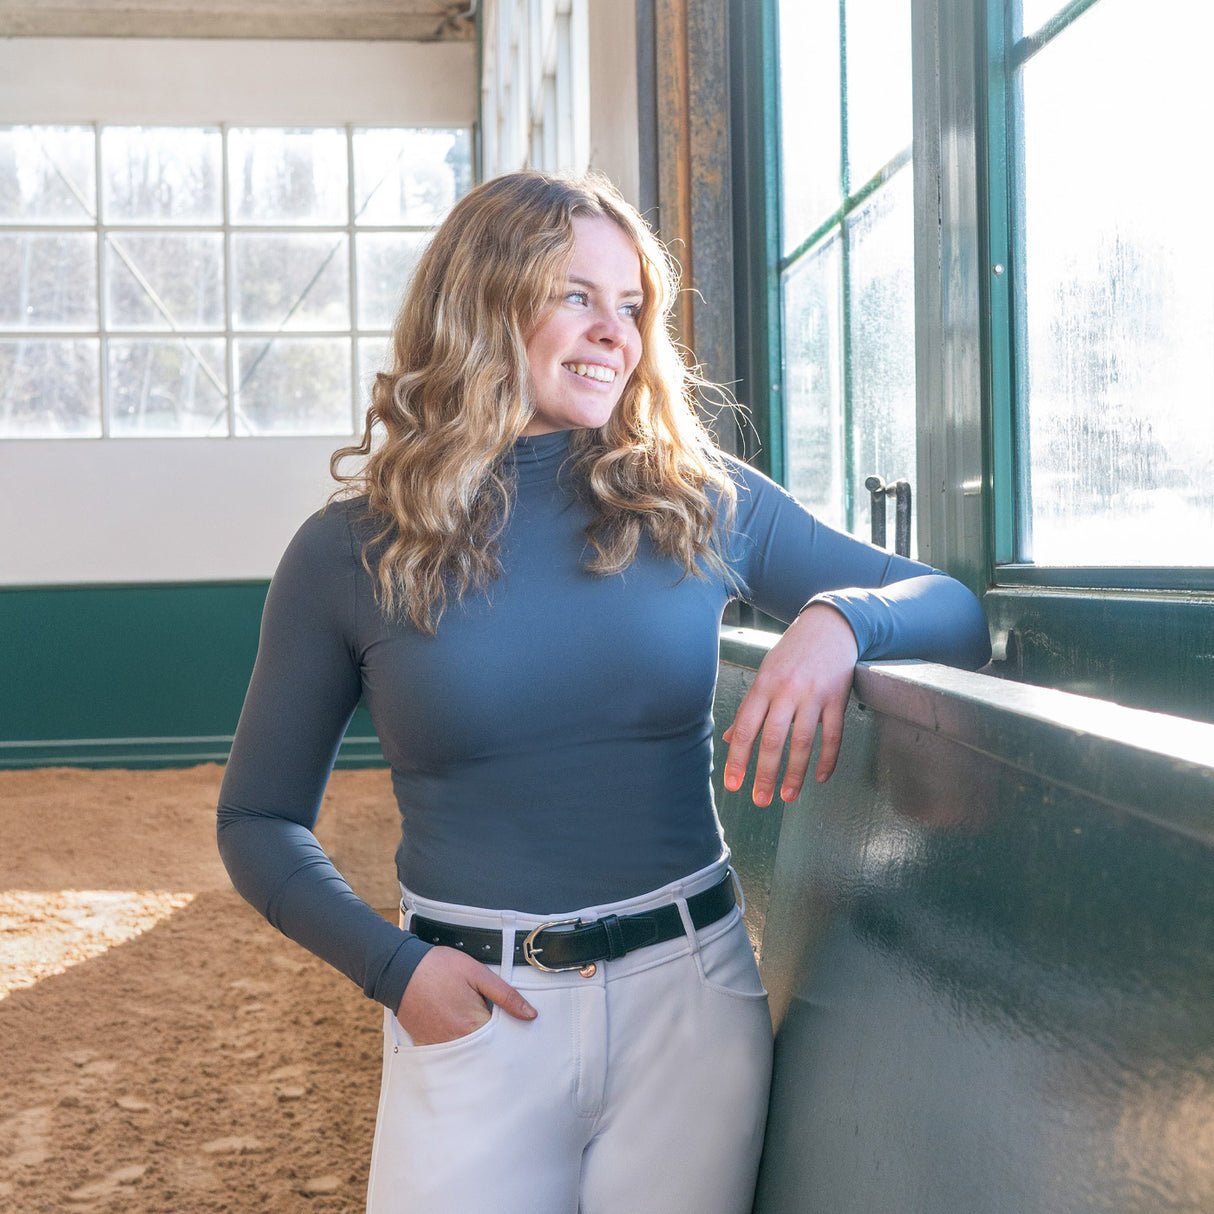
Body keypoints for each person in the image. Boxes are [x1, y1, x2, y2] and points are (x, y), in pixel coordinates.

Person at [216, 170, 991, 1214]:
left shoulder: (697, 503)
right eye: (576, 294)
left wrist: (838, 620)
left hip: (693, 996)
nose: (613, 332)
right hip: (475, 1011)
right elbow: (258, 819)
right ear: (483, 299)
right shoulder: (349, 551)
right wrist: (396, 972)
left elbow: (949, 605)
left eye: (631, 307)